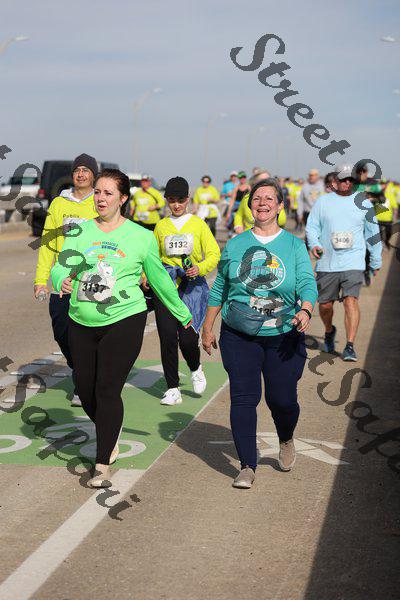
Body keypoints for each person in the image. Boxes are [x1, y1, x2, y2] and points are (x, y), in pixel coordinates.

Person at [51, 169, 192, 488]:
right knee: (85, 389)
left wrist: (183, 316)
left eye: (108, 193)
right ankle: (110, 431)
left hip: (125, 319)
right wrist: (61, 280)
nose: (100, 198)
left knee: (107, 388)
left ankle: (102, 465)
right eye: (97, 192)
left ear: (123, 198)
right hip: (81, 318)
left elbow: (159, 279)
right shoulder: (80, 231)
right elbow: (61, 265)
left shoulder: (141, 237)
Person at [202, 178, 318, 489]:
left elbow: (307, 283)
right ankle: (247, 465)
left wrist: (305, 310)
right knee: (243, 397)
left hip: (283, 334)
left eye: (269, 199)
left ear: (280, 206)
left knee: (282, 400)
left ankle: (286, 437)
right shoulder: (236, 244)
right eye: (257, 198)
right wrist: (207, 326)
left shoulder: (293, 245)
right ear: (250, 205)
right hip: (239, 333)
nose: (262, 203)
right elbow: (220, 287)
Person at [34, 153, 99, 407]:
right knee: (62, 330)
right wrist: (41, 279)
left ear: (94, 175)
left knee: (89, 333)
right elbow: (48, 243)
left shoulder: (100, 202)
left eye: (86, 170)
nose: (81, 174)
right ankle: (81, 369)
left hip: (92, 278)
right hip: (63, 278)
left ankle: (82, 383)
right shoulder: (59, 204)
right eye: (77, 170)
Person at [152, 176, 221, 405]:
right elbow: (152, 257)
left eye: (180, 200)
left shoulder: (198, 224)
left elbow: (214, 254)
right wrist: (145, 275)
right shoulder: (161, 226)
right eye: (172, 200)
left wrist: (200, 268)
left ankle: (195, 368)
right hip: (166, 287)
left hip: (191, 288)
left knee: (188, 339)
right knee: (167, 338)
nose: (176, 205)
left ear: (188, 200)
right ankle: (172, 388)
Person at [306, 163, 382, 362]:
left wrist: (375, 260)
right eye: (344, 179)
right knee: (325, 305)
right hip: (327, 262)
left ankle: (349, 345)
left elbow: (373, 234)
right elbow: (312, 227)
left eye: (351, 180)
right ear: (335, 181)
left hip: (353, 261)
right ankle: (329, 330)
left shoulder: (364, 203)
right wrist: (314, 244)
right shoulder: (323, 202)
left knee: (351, 301)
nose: (348, 182)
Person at [233, 170, 286, 234]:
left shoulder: (275, 198)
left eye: (268, 179)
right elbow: (239, 214)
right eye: (262, 180)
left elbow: (282, 220)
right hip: (248, 235)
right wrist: (238, 226)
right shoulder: (246, 198)